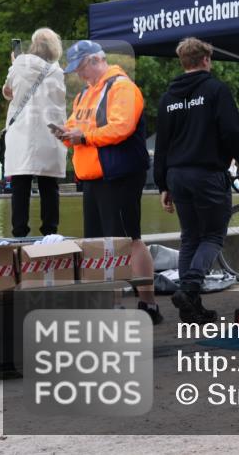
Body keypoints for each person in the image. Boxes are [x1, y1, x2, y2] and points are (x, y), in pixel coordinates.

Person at [56, 41, 159, 323]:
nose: (79, 75)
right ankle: (110, 305)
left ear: (95, 60)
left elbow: (121, 127)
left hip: (119, 174)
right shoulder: (85, 94)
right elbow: (76, 126)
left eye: (80, 68)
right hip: (93, 177)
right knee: (100, 243)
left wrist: (84, 136)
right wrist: (65, 133)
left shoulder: (122, 87)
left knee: (128, 240)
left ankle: (148, 304)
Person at [155, 38, 239, 324]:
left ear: (183, 62)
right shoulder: (216, 90)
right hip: (207, 174)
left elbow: (162, 144)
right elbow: (231, 132)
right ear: (206, 60)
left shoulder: (168, 98)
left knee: (190, 237)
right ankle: (189, 289)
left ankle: (191, 308)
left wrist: (163, 185)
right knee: (212, 236)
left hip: (177, 175)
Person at [1, 29, 67, 237]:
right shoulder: (57, 71)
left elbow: (8, 92)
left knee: (20, 184)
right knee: (49, 185)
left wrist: (14, 64)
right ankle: (50, 232)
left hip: (22, 131)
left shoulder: (19, 65)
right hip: (48, 132)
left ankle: (20, 233)